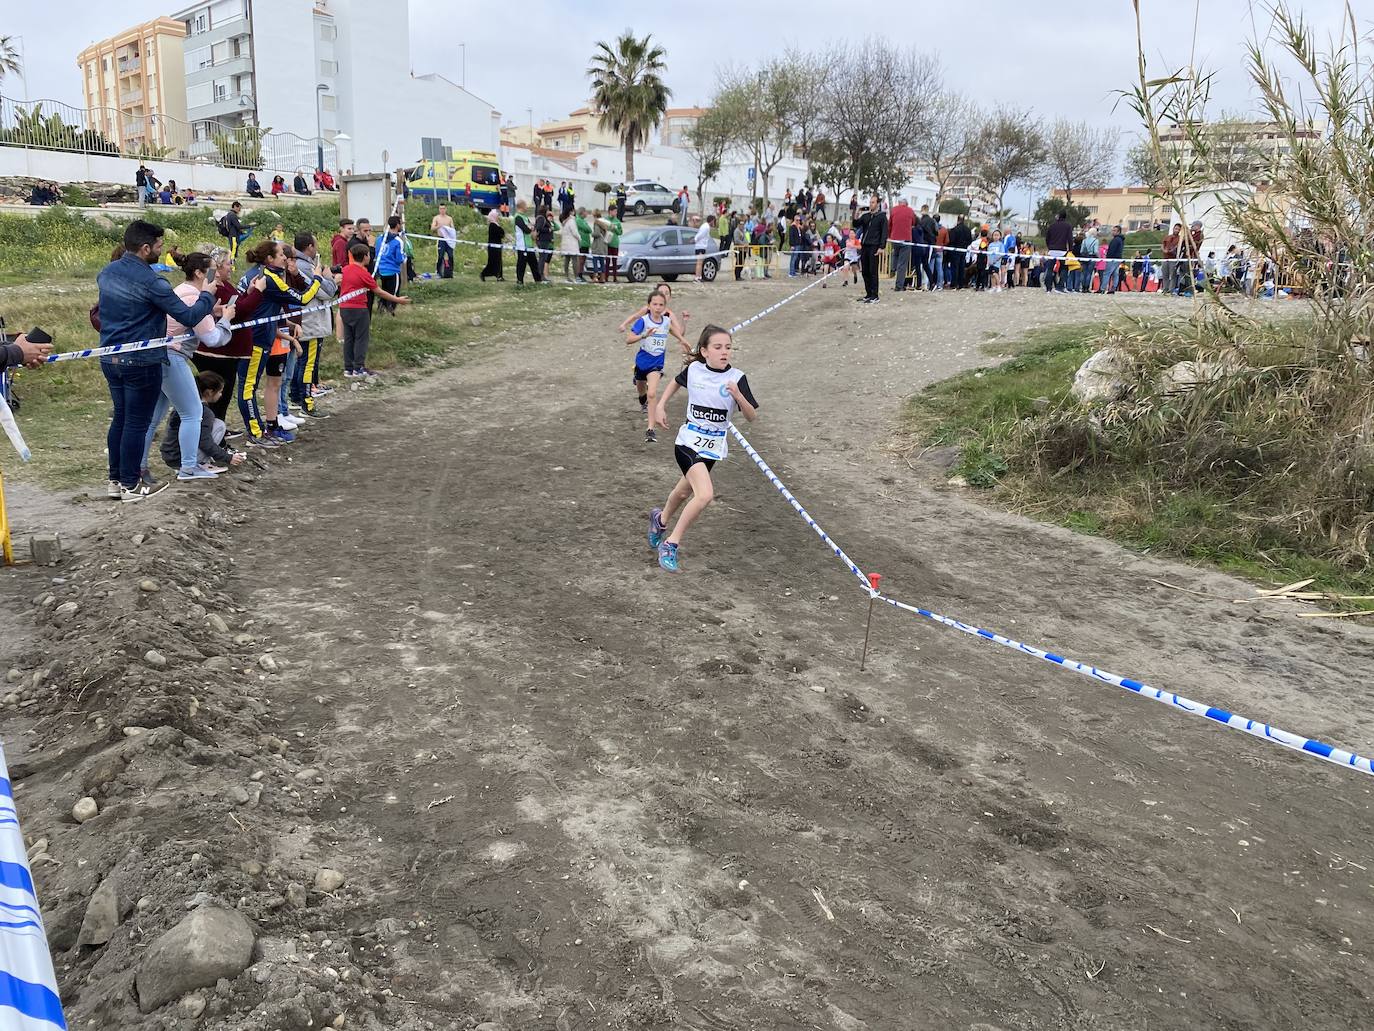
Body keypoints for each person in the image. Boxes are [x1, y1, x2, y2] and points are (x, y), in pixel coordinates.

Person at [97, 221, 219, 501]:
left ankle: (115, 480)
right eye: (159, 246)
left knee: (121, 418)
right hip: (142, 359)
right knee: (136, 423)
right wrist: (206, 296)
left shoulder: (107, 272)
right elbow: (188, 316)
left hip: (110, 356)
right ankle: (131, 485)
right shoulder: (152, 282)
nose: (161, 251)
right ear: (145, 248)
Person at [648, 324, 758, 573]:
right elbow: (675, 382)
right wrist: (661, 406)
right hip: (687, 443)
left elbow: (752, 416)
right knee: (705, 495)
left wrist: (738, 396)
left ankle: (660, 520)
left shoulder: (737, 378)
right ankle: (671, 543)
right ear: (705, 351)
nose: (724, 352)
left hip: (712, 449)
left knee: (683, 492)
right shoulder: (695, 370)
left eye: (728, 347)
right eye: (718, 347)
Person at [144, 249, 237, 482]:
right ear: (199, 273)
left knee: (153, 418)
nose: (216, 276)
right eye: (211, 272)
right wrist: (226, 320)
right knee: (193, 413)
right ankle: (188, 467)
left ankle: (140, 468)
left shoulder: (182, 290)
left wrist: (212, 311)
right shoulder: (195, 297)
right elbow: (213, 338)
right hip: (172, 356)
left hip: (157, 355)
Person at [626, 289, 690, 444]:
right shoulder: (643, 321)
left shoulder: (666, 321)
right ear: (649, 305)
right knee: (642, 391)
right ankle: (642, 398)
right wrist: (644, 335)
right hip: (642, 361)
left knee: (652, 393)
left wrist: (682, 340)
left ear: (665, 307)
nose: (658, 307)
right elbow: (628, 339)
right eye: (655, 304)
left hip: (656, 364)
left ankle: (650, 429)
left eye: (661, 305)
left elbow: (672, 330)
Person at [339, 242, 409, 378]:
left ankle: (348, 368)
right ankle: (358, 368)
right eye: (369, 255)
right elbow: (379, 292)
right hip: (359, 309)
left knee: (349, 338)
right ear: (365, 256)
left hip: (344, 308)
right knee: (361, 338)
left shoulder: (345, 270)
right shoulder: (364, 273)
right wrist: (397, 299)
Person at [289, 232, 338, 416]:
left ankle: (296, 397)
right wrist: (329, 277)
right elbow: (327, 292)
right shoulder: (306, 267)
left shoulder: (299, 264)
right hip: (311, 321)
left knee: (300, 361)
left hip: (305, 320)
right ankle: (306, 403)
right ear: (309, 246)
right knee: (308, 364)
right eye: (315, 245)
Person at [159, 371, 244, 475]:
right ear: (209, 392)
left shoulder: (183, 404)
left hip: (169, 455)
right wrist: (228, 457)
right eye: (220, 392)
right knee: (219, 425)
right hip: (180, 458)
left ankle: (193, 462)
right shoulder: (204, 412)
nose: (221, 395)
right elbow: (204, 442)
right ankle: (199, 463)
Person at [856, 195, 887, 303]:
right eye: (870, 202)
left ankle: (875, 295)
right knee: (865, 271)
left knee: (873, 271)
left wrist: (881, 247)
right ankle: (868, 293)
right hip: (865, 245)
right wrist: (857, 213)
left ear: (877, 204)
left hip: (874, 246)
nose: (871, 204)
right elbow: (856, 224)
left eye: (873, 202)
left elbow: (884, 232)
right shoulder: (866, 216)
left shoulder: (882, 217)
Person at [513, 201, 543, 285]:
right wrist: (530, 228)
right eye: (526, 206)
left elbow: (531, 228)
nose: (527, 208)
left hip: (529, 244)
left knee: (534, 264)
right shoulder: (518, 217)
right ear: (522, 207)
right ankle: (520, 281)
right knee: (521, 264)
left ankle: (538, 280)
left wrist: (532, 230)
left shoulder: (525, 217)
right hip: (522, 245)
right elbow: (526, 229)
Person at [1044, 211, 1073, 292]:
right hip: (1062, 251)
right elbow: (1070, 239)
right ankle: (1060, 286)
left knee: (1050, 269)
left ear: (1058, 216)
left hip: (1052, 250)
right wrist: (1070, 249)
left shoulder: (1052, 226)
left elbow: (1047, 238)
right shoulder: (1068, 226)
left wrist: (1049, 246)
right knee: (1064, 268)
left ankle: (1048, 287)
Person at [888, 197, 913, 291]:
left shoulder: (893, 210)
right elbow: (914, 222)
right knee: (902, 264)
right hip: (906, 239)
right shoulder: (910, 211)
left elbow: (889, 224)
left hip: (894, 238)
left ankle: (892, 268)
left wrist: (889, 235)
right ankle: (899, 286)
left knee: (895, 253)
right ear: (906, 203)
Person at [479, 208, 505, 282]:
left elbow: (502, 233)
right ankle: (483, 274)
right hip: (493, 248)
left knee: (499, 262)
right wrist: (501, 232)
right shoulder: (492, 225)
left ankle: (499, 276)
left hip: (497, 246)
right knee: (493, 262)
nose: (498, 217)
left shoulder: (496, 224)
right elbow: (500, 232)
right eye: (497, 216)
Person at [431, 204, 455, 278]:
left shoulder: (449, 218)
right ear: (439, 209)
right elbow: (432, 228)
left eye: (443, 208)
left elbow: (453, 229)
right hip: (441, 239)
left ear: (446, 209)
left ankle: (450, 272)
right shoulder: (436, 218)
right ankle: (438, 272)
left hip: (448, 239)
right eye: (441, 209)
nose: (442, 210)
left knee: (450, 255)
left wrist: (448, 230)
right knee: (440, 256)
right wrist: (439, 226)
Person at [535, 205, 555, 281]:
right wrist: (548, 230)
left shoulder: (543, 218)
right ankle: (540, 274)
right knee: (542, 258)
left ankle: (541, 274)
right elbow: (539, 228)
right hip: (543, 240)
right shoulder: (541, 218)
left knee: (543, 258)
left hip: (545, 240)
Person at [1102, 225, 1125, 294]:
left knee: (1107, 274)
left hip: (1112, 259)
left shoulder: (1116, 240)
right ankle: (1113, 288)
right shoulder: (1121, 240)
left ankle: (1102, 288)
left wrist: (1108, 257)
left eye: (1114, 230)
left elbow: (1111, 250)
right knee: (1115, 274)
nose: (1113, 232)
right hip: (1118, 259)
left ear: (1118, 232)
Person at [693, 215, 715, 281]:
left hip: (702, 246)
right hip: (700, 246)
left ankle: (699, 277)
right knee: (699, 263)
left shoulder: (705, 226)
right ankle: (697, 277)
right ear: (712, 221)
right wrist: (695, 239)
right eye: (714, 221)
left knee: (701, 263)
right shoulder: (706, 227)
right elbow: (700, 235)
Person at [606, 205, 623, 282]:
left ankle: (615, 277)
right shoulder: (605, 220)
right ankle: (606, 276)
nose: (616, 213)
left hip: (615, 243)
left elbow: (620, 232)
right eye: (614, 211)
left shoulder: (617, 221)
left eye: (616, 211)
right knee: (607, 261)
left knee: (614, 261)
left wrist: (615, 228)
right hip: (607, 243)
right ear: (610, 211)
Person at [574, 207, 592, 280]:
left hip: (586, 243)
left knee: (583, 260)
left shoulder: (583, 220)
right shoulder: (578, 220)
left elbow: (589, 229)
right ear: (582, 212)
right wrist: (587, 228)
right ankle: (578, 275)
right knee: (580, 260)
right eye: (586, 212)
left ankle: (581, 274)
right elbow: (587, 229)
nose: (587, 213)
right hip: (582, 243)